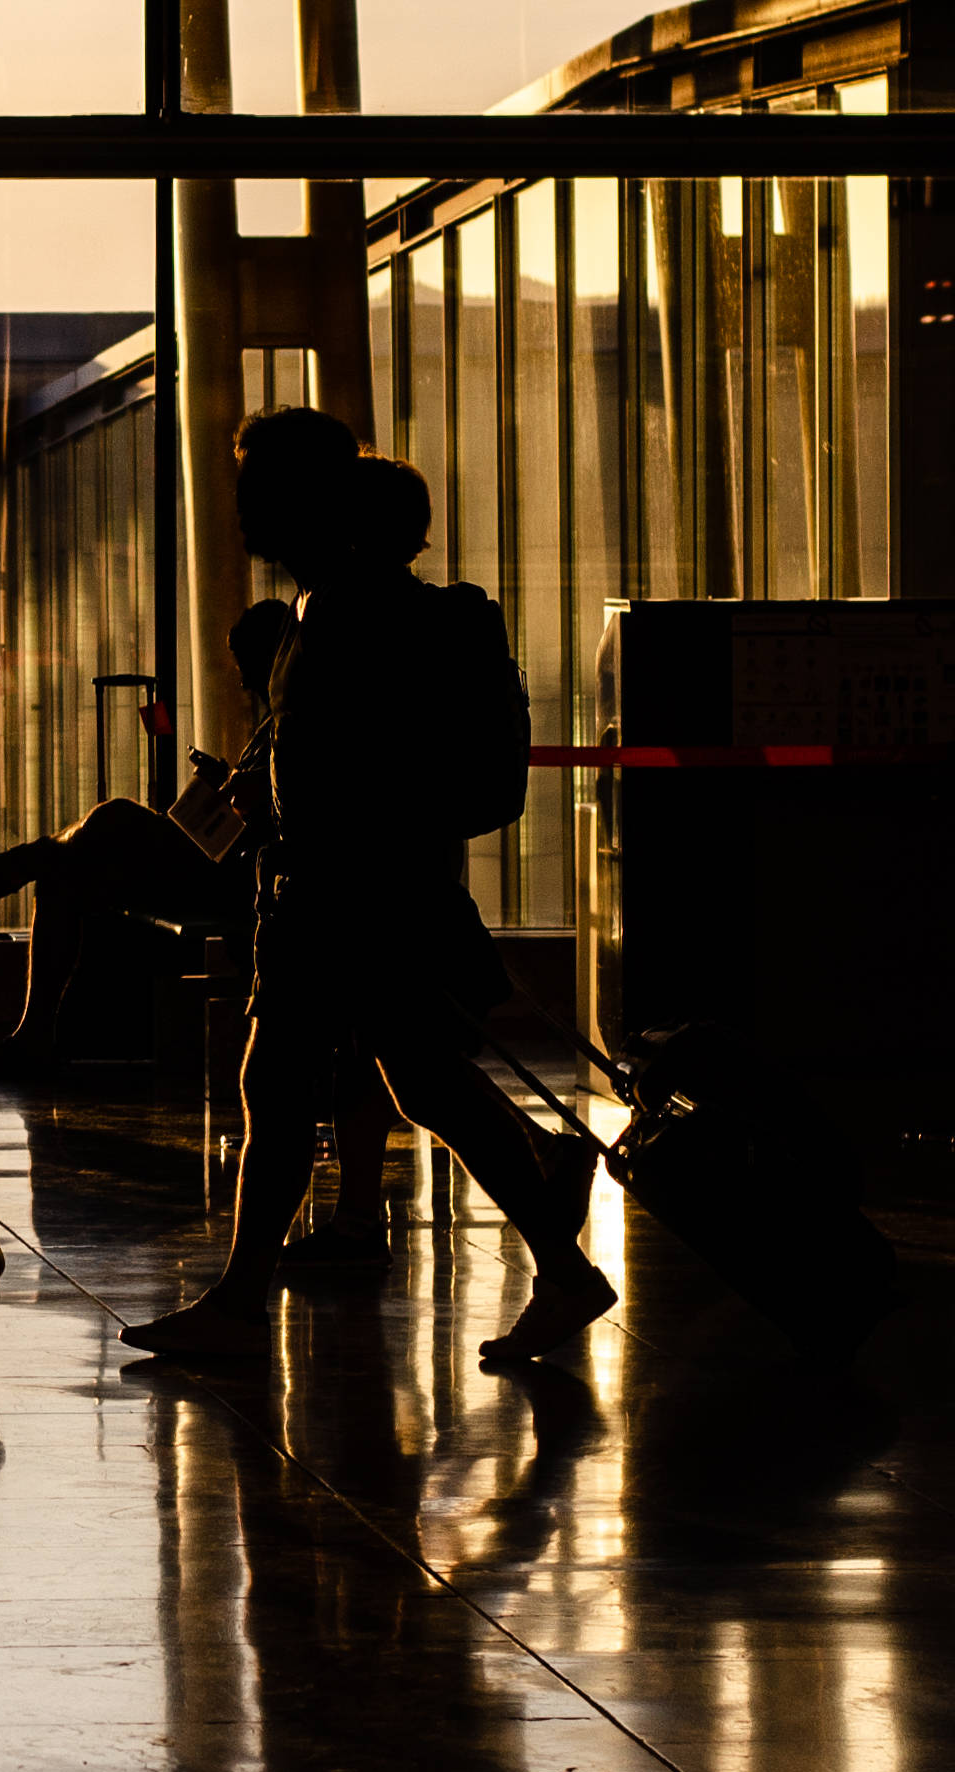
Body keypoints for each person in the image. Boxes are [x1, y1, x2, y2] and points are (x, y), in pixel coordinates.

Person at [125, 418, 604, 1367]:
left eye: (257, 485)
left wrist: (280, 817)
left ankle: (237, 1304)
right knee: (426, 1084)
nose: (244, 506)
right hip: (379, 891)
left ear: (304, 497)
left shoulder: (348, 615)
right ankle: (560, 1268)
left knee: (291, 1086)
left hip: (343, 898)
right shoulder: (341, 605)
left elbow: (343, 766)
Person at [0, 593, 407, 1251]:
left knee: (110, 819)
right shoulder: (281, 717)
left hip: (240, 876)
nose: (246, 680)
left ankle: (39, 876)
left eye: (249, 665)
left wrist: (238, 797)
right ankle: (37, 988)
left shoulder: (299, 717)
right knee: (70, 872)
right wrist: (227, 787)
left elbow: (285, 810)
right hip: (226, 860)